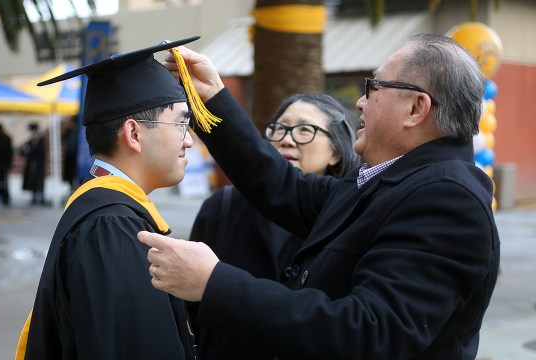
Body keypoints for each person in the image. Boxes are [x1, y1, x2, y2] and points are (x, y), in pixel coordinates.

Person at [137, 33, 500, 359]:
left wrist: (213, 282)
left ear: (416, 108)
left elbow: (370, 332)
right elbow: (280, 187)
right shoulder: (389, 180)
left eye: (374, 87)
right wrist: (213, 97)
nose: (359, 103)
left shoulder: (447, 199)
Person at [15, 36, 206, 360]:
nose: (188, 141)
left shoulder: (106, 213)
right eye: (180, 123)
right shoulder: (112, 229)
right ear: (133, 134)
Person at [188, 93, 359, 358]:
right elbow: (190, 309)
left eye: (305, 130)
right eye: (279, 128)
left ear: (336, 152)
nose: (286, 138)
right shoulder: (222, 206)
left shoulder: (350, 217)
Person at [21, 123, 46, 205]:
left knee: (39, 181)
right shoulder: (31, 141)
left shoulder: (40, 140)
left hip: (39, 165)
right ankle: (34, 196)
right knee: (33, 181)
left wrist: (31, 150)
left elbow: (40, 152)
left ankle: (41, 197)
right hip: (32, 164)